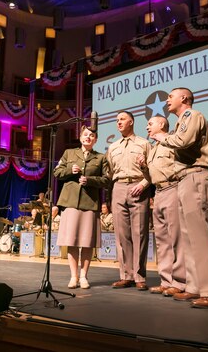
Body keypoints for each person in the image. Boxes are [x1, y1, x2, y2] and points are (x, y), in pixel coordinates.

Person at [151, 87, 208, 308]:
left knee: (203, 236)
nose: (167, 100)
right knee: (188, 239)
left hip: (197, 176)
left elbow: (184, 141)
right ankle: (195, 286)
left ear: (184, 98)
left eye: (170, 96)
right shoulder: (180, 121)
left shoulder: (191, 115)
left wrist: (163, 137)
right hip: (185, 179)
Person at [54, 126, 111, 289]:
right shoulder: (69, 153)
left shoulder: (100, 158)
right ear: (80, 137)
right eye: (85, 135)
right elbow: (56, 172)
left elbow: (106, 180)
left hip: (89, 203)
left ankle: (84, 276)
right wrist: (69, 171)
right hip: (70, 201)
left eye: (92, 136)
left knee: (87, 242)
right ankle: (74, 276)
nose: (88, 137)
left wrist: (90, 180)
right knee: (71, 241)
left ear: (96, 140)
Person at [138, 115, 187, 297]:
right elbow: (151, 178)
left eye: (150, 124)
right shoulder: (152, 149)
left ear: (161, 125)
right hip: (157, 193)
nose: (147, 127)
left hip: (173, 189)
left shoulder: (173, 141)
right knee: (162, 241)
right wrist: (144, 168)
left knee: (177, 239)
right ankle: (166, 281)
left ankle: (180, 282)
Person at [105, 111, 152, 291]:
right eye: (117, 120)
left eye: (122, 119)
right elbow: (108, 173)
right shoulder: (113, 147)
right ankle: (126, 275)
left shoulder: (144, 143)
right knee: (121, 235)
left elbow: (152, 169)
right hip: (118, 188)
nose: (118, 122)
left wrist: (143, 184)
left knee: (140, 233)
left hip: (138, 187)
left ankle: (139, 276)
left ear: (131, 122)